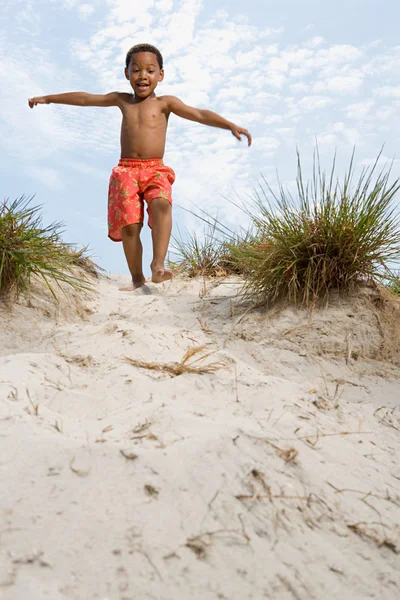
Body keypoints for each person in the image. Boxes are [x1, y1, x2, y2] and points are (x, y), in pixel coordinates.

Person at [28, 43, 252, 290]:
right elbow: (85, 98)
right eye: (136, 70)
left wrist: (229, 124)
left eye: (150, 70)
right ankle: (137, 279)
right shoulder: (122, 100)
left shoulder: (166, 103)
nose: (142, 75)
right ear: (127, 74)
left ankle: (158, 265)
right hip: (126, 170)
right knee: (130, 225)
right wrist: (48, 98)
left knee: (162, 204)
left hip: (155, 169)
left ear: (161, 75)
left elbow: (199, 114)